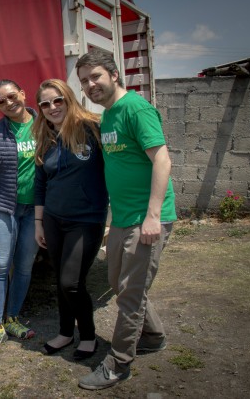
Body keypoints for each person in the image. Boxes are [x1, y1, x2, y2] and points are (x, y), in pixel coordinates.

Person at [75, 50, 176, 390]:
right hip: (122, 218)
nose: (90, 85)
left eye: (96, 76)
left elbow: (162, 160)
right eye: (84, 81)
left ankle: (118, 363)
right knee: (119, 283)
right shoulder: (108, 116)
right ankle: (153, 335)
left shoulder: (135, 109)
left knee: (131, 293)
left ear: (114, 75)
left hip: (146, 219)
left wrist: (153, 216)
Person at [32, 79, 108, 360]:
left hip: (86, 220)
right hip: (53, 220)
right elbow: (40, 184)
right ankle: (65, 333)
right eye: (45, 104)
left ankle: (88, 336)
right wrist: (39, 223)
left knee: (71, 282)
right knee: (60, 280)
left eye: (57, 100)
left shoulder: (92, 128)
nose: (52, 107)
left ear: (68, 99)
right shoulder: (46, 138)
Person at [0, 79, 39, 357]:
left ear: (23, 94)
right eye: (1, 101)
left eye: (12, 96)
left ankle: (12, 318)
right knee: (0, 266)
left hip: (35, 211)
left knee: (24, 266)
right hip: (4, 209)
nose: (8, 103)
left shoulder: (43, 125)